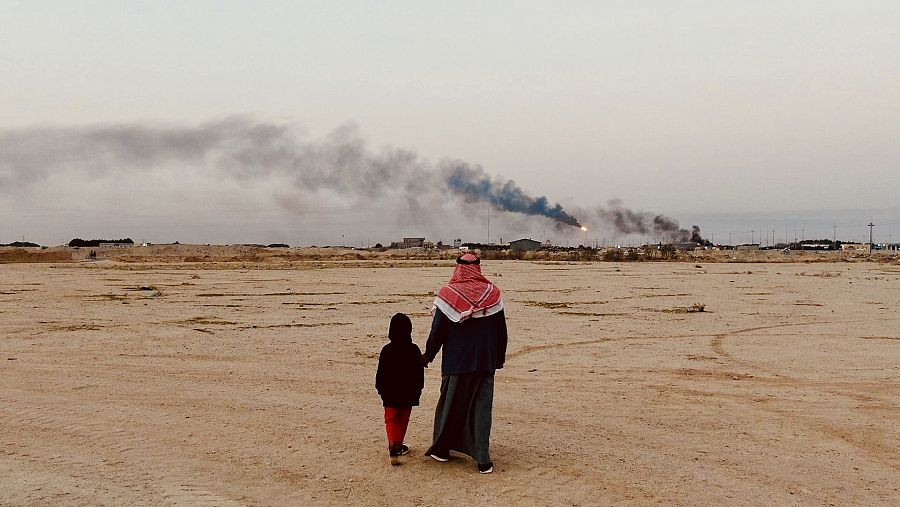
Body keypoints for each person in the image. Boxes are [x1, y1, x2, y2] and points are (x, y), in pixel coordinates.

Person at [422, 253, 508, 474]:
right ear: (478, 268)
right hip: (485, 362)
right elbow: (501, 332)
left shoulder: (448, 295)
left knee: (451, 406)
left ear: (457, 268)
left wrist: (428, 355)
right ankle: (482, 459)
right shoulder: (493, 295)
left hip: (456, 363)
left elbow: (438, 332)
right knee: (481, 409)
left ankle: (442, 449)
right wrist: (497, 359)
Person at [375, 313, 425, 465]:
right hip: (408, 393)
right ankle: (398, 444)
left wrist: (380, 389)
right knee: (403, 419)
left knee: (391, 419)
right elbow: (419, 374)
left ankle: (393, 444)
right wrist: (419, 389)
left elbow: (380, 373)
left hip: (389, 393)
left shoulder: (386, 350)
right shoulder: (414, 350)